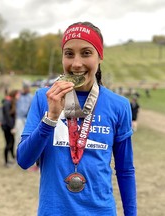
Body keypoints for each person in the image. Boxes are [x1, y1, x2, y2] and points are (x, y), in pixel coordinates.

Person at [17, 21, 137, 215]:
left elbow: (125, 170)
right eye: (69, 54)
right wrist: (51, 119)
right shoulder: (43, 98)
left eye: (86, 53)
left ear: (100, 56)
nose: (76, 63)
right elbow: (24, 160)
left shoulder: (119, 105)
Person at [1, 89, 19, 167]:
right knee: (8, 143)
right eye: (18, 94)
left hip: (10, 126)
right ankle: (6, 162)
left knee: (12, 142)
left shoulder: (11, 102)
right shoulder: (7, 103)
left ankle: (13, 157)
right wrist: (12, 127)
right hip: (7, 126)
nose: (19, 96)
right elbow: (7, 117)